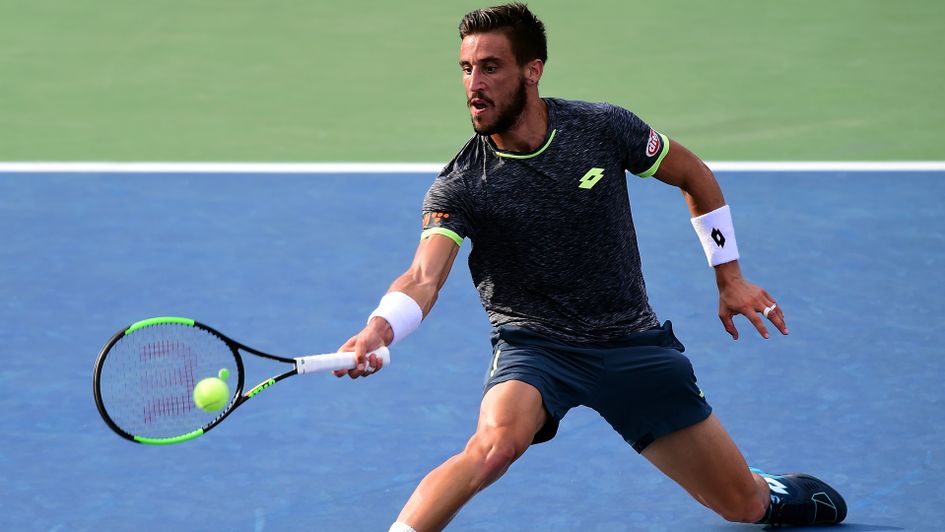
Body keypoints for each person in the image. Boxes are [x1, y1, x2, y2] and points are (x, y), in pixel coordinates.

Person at [335, 3, 847, 530]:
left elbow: (692, 173)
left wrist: (730, 277)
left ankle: (769, 491)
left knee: (744, 507)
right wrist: (381, 326)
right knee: (493, 448)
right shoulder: (461, 185)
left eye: (490, 67)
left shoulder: (601, 128)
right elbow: (423, 277)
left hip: (631, 343)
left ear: (532, 70)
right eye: (466, 69)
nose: (474, 84)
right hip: (536, 349)